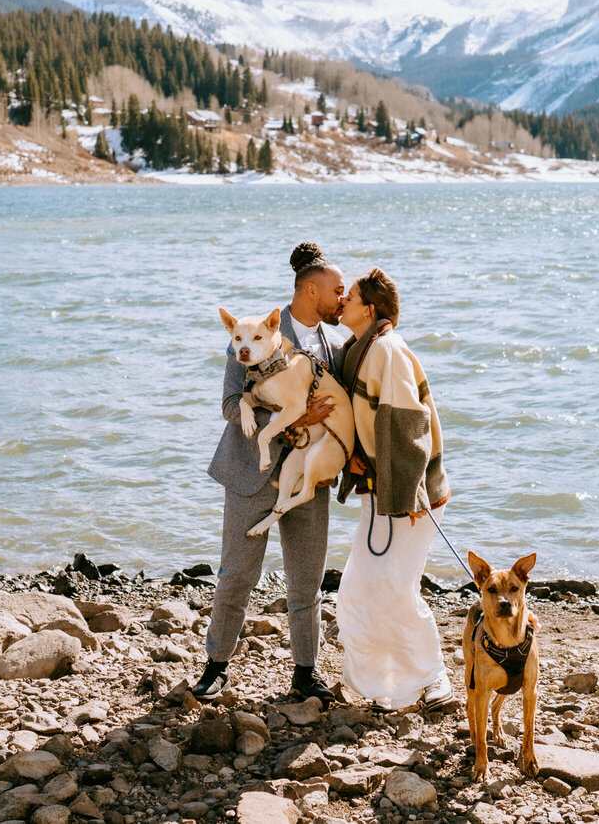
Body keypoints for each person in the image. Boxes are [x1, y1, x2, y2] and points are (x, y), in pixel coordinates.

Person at [195, 243, 347, 702]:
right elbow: (228, 405)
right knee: (236, 576)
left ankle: (305, 673)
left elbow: (345, 413)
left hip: (309, 478)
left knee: (307, 582)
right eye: (336, 291)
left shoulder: (336, 345)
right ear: (310, 289)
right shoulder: (251, 333)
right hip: (248, 473)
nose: (342, 299)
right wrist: (289, 421)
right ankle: (216, 666)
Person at [333, 267, 456, 711]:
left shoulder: (387, 349)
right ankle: (375, 685)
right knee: (361, 588)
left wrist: (408, 494)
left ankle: (433, 680)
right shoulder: (359, 350)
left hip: (411, 496)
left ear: (369, 309)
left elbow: (408, 426)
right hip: (382, 493)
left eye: (350, 297)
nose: (342, 300)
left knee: (393, 589)